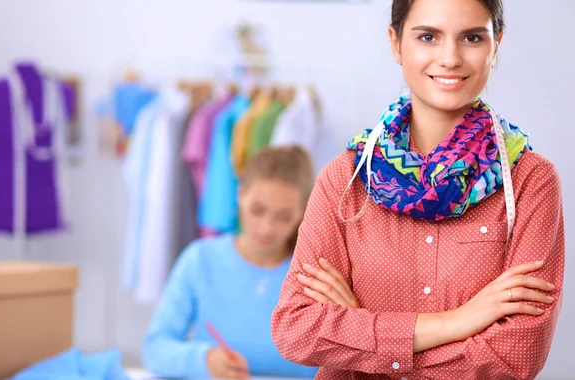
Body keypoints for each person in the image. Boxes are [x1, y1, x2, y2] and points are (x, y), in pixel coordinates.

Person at [271, 0, 565, 379]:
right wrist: (457, 322)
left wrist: (362, 329)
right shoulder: (345, 179)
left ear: (497, 44)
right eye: (428, 36)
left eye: (472, 38)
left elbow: (514, 356)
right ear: (396, 44)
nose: (450, 58)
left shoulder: (531, 182)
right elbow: (296, 330)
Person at [143, 146, 318, 379]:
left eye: (283, 217)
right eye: (257, 210)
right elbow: (155, 348)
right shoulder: (200, 260)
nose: (267, 228)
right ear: (240, 194)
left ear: (302, 213)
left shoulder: (314, 276)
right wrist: (203, 359)